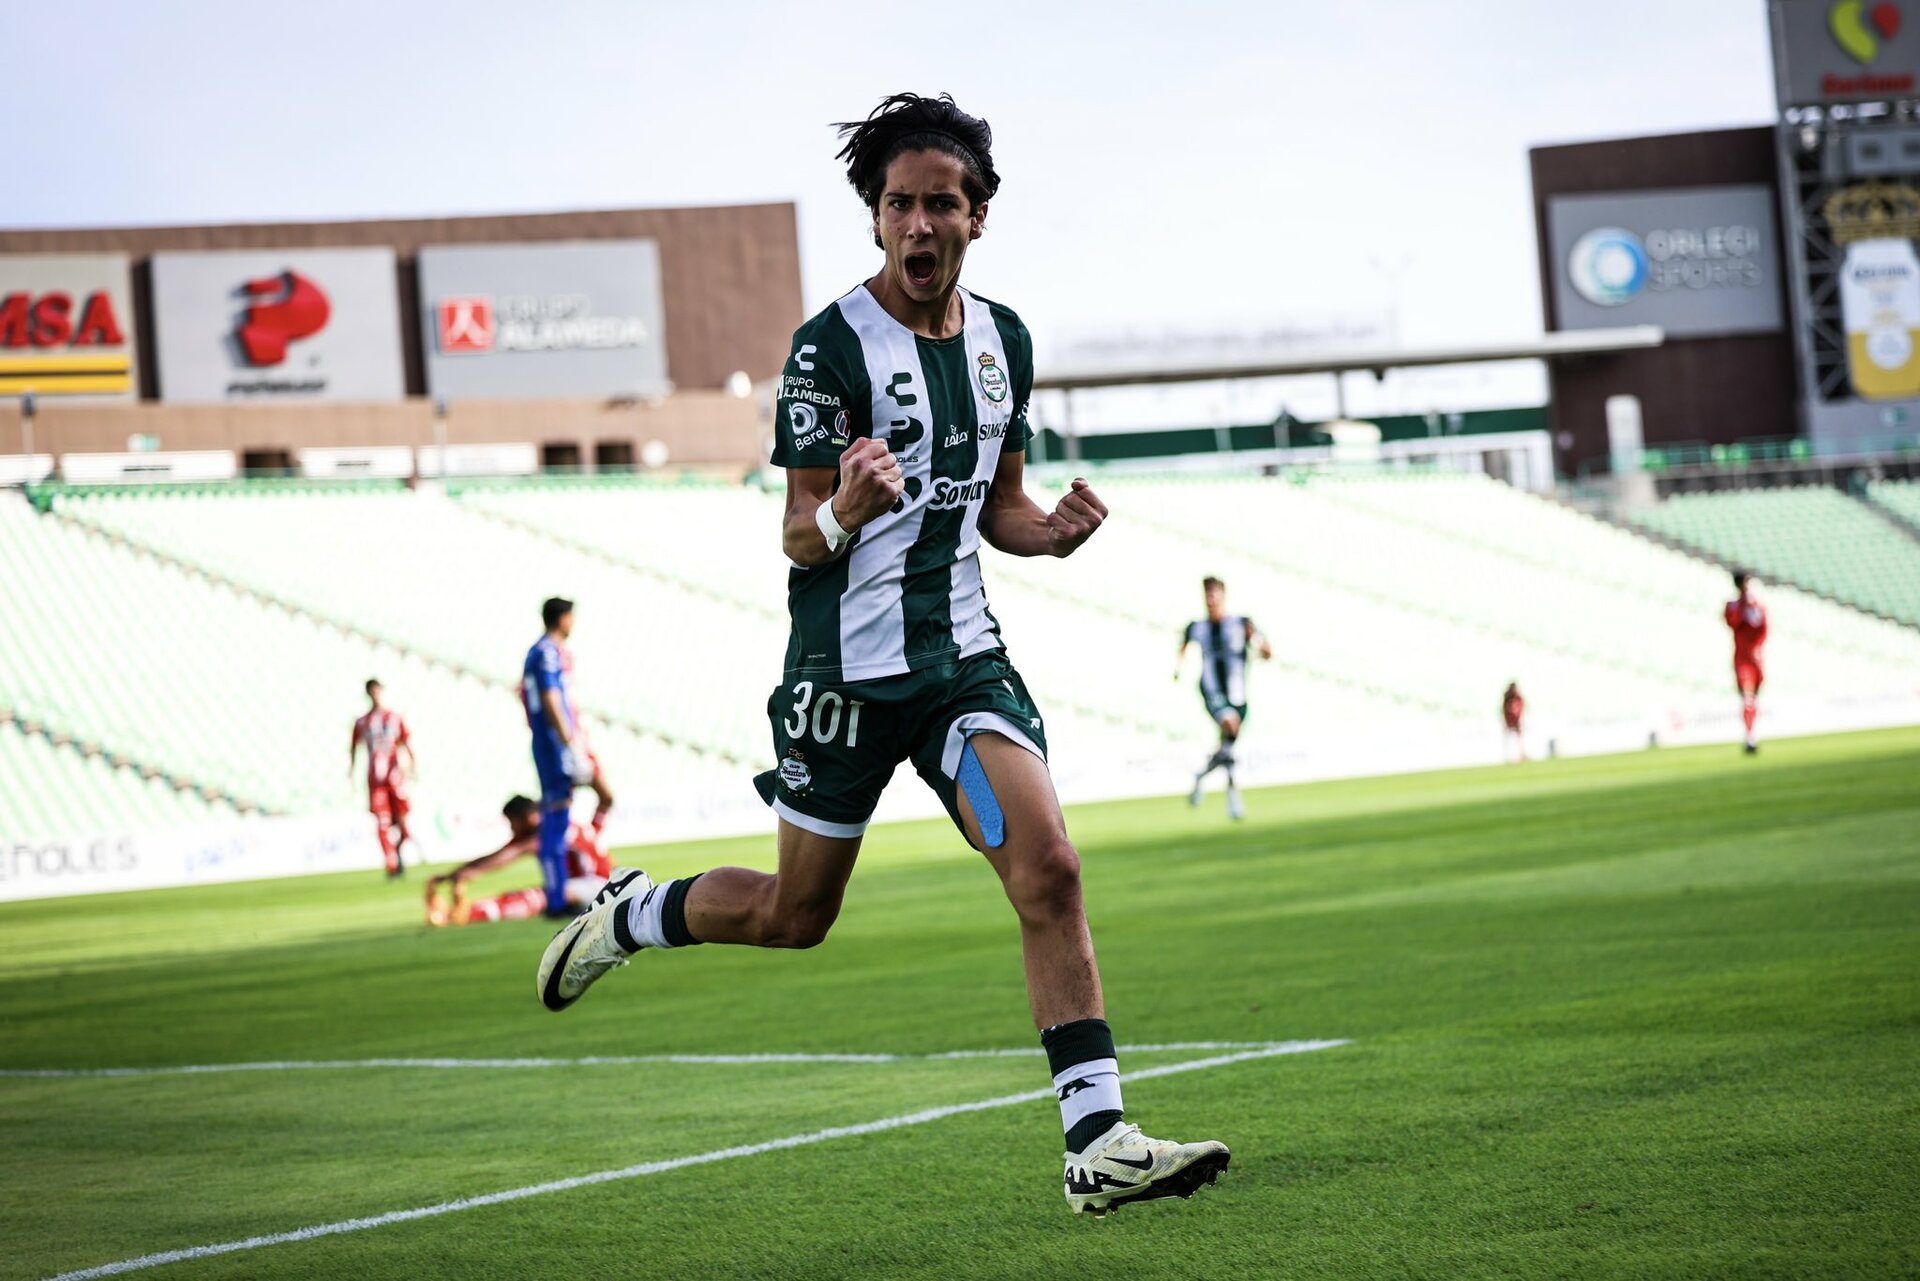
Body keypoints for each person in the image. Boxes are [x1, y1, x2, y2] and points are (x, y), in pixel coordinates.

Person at [538, 92, 1228, 1218]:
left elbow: (996, 506)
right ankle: (634, 914)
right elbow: (798, 532)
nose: (920, 223)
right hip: (843, 682)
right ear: (875, 220)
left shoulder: (1008, 341)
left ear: (979, 217)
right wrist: (851, 510)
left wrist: (1045, 532)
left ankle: (1096, 1143)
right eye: (899, 204)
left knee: (1049, 869)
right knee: (794, 918)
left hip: (962, 663)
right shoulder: (829, 347)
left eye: (941, 204)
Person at [521, 597, 612, 918]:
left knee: (566, 814)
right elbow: (550, 697)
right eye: (570, 618)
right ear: (561, 619)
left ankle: (565, 887)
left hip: (555, 742)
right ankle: (557, 899)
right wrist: (568, 742)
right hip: (555, 746)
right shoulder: (546, 652)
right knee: (556, 820)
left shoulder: (543, 652)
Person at [424, 795, 613, 926]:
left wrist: (471, 873)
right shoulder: (548, 825)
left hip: (599, 885)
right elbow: (502, 853)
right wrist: (454, 874)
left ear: (527, 817)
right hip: (585, 886)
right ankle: (464, 913)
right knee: (544, 894)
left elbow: (513, 853)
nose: (512, 829)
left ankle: (468, 914)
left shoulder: (549, 830)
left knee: (539, 896)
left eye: (512, 822)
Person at [1175, 577, 1271, 820]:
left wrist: (1258, 643)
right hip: (1212, 691)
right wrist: (1179, 668)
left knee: (1227, 747)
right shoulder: (1196, 627)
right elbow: (1183, 650)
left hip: (1239, 695)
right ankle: (1233, 800)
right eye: (1207, 595)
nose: (1211, 600)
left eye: (1215, 594)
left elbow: (1267, 652)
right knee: (1230, 726)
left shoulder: (1242, 623)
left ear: (1223, 596)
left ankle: (1201, 778)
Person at [350, 679, 415, 877]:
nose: (375, 694)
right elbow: (353, 748)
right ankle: (391, 863)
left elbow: (406, 742)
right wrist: (351, 772)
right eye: (372, 691)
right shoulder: (362, 722)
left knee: (403, 824)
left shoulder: (395, 718)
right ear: (368, 694)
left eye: (378, 690)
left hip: (395, 777)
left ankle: (398, 851)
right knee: (382, 822)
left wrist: (413, 765)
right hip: (376, 780)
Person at [1725, 571, 1768, 754]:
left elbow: (1764, 628)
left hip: (1756, 658)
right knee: (1748, 699)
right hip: (1742, 659)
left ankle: (1753, 733)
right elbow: (1732, 622)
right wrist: (1744, 606)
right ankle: (1750, 737)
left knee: (1755, 699)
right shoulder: (1733, 606)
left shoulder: (1757, 606)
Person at [1501, 682, 1527, 764]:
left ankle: (1521, 755)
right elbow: (1505, 710)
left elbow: (1521, 708)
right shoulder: (1508, 697)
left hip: (1517, 720)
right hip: (1510, 720)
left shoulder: (1518, 697)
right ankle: (1508, 756)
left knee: (1519, 738)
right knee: (1509, 738)